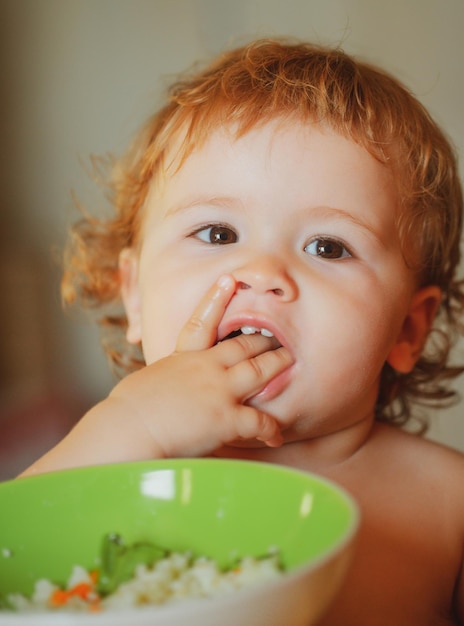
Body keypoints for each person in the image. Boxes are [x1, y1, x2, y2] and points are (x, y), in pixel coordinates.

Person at [20, 39, 464, 624]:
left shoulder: (446, 505)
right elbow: (19, 552)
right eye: (218, 233)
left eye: (327, 246)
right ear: (133, 291)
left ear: (407, 328)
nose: (262, 272)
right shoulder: (109, 458)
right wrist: (136, 425)